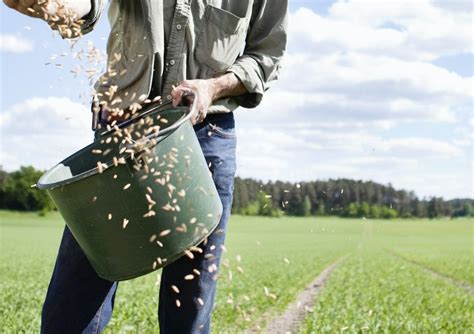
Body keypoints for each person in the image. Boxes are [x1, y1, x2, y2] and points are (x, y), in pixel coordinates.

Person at [4, 0, 287, 332]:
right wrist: (56, 6)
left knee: (190, 305)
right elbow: (87, 6)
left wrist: (211, 88)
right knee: (73, 303)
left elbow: (266, 57)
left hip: (204, 135)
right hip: (121, 133)